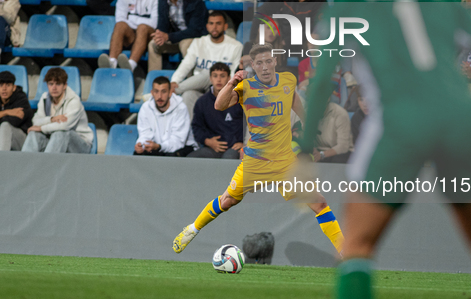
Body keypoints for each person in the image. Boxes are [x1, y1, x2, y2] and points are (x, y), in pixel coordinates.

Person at [301, 0, 471, 298]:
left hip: (400, 124)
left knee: (357, 247)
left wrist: (301, 153)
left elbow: (320, 82)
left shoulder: (353, 1)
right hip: (461, 122)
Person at [173, 43, 345, 257]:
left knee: (319, 202)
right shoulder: (245, 86)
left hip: (285, 161)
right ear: (253, 65)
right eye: (259, 63)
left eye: (268, 61)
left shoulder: (288, 81)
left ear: (275, 61)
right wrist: (231, 82)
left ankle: (346, 251)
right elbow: (219, 105)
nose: (264, 66)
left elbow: (293, 100)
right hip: (256, 161)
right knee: (227, 201)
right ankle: (192, 230)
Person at [169, 11, 243, 118]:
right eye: (211, 24)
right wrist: (174, 81)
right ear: (207, 26)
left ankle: (170, 91)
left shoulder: (236, 46)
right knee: (188, 95)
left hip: (222, 89)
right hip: (200, 87)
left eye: (218, 23)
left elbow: (233, 74)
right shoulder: (198, 42)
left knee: (211, 73)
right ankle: (190, 133)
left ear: (225, 26)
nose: (214, 27)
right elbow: (186, 64)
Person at [98, 0, 161, 71]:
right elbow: (120, 19)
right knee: (120, 25)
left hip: (150, 37)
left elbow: (155, 23)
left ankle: (130, 65)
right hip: (132, 36)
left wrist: (132, 19)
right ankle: (112, 62)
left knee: (142, 27)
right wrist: (138, 21)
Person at [148, 0, 208, 72]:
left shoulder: (194, 0)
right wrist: (159, 35)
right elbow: (162, 27)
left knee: (186, 45)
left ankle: (191, 81)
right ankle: (155, 81)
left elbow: (195, 30)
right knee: (153, 44)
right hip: (176, 39)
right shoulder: (163, 1)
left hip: (194, 38)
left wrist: (168, 36)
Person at [22, 67, 93, 154]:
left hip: (80, 145)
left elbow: (64, 126)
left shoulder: (74, 100)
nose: (54, 88)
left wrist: (41, 128)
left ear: (65, 85)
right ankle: (25, 165)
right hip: (54, 141)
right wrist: (51, 119)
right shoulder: (45, 98)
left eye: (58, 84)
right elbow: (36, 121)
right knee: (33, 133)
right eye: (51, 84)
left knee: (61, 133)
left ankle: (48, 166)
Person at [187, 62, 244, 159]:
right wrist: (207, 141)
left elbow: (249, 123)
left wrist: (243, 142)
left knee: (228, 158)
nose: (218, 79)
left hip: (234, 147)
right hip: (212, 148)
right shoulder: (202, 102)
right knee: (190, 159)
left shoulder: (237, 98)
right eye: (215, 76)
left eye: (222, 76)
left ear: (229, 78)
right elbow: (197, 127)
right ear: (210, 78)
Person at [135, 76, 197, 157]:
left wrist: (159, 146)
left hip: (181, 148)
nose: (159, 96)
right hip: (158, 147)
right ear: (152, 93)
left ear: (170, 93)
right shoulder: (145, 108)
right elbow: (145, 134)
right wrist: (142, 145)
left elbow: (177, 141)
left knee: (171, 156)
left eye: (163, 92)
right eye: (156, 91)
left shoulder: (181, 108)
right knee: (138, 153)